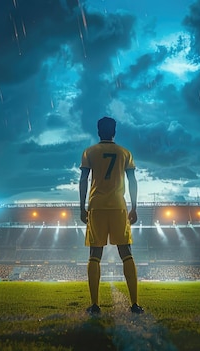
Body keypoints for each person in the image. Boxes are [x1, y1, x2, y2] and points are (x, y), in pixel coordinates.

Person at [79, 116, 143, 314]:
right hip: (118, 206)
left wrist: (82, 207)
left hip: (97, 206)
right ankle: (134, 304)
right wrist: (134, 206)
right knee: (126, 253)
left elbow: (83, 180)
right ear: (115, 132)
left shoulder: (89, 152)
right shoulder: (125, 153)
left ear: (98, 132)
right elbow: (133, 181)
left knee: (94, 255)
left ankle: (95, 305)